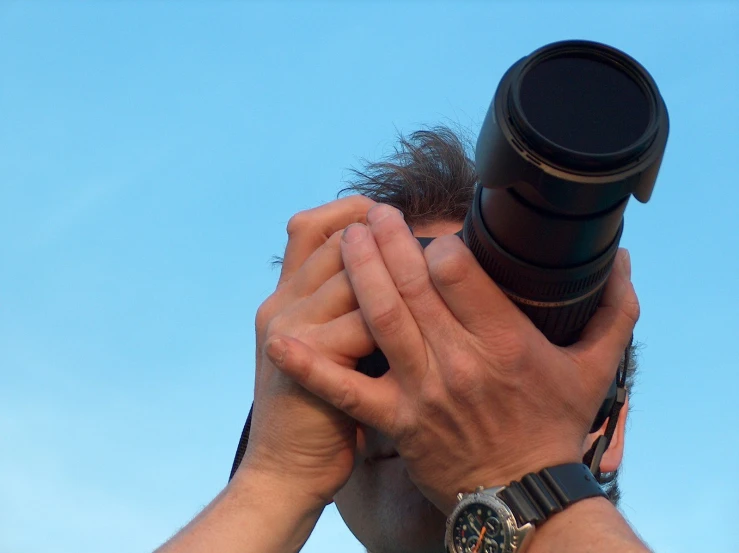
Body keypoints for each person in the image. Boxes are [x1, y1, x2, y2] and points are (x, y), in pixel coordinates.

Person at [155, 128, 649, 553]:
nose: (436, 386)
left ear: (607, 423)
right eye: (374, 342)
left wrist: (525, 476)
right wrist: (275, 481)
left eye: (481, 349)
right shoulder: (283, 472)